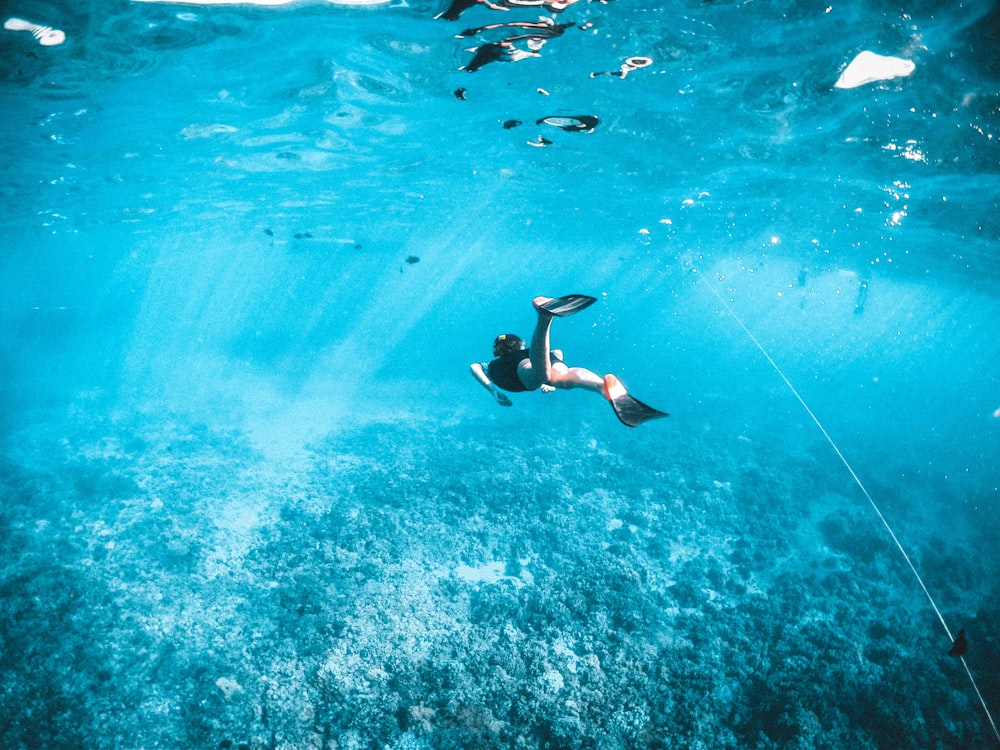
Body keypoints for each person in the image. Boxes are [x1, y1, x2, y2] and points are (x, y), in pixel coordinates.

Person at [470, 295, 669, 426]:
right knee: (563, 377)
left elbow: (474, 366)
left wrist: (494, 392)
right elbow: (557, 352)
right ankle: (601, 386)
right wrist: (551, 375)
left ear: (498, 350)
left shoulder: (495, 364)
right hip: (535, 360)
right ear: (518, 344)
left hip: (518, 373)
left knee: (540, 374)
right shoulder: (527, 351)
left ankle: (545, 317)